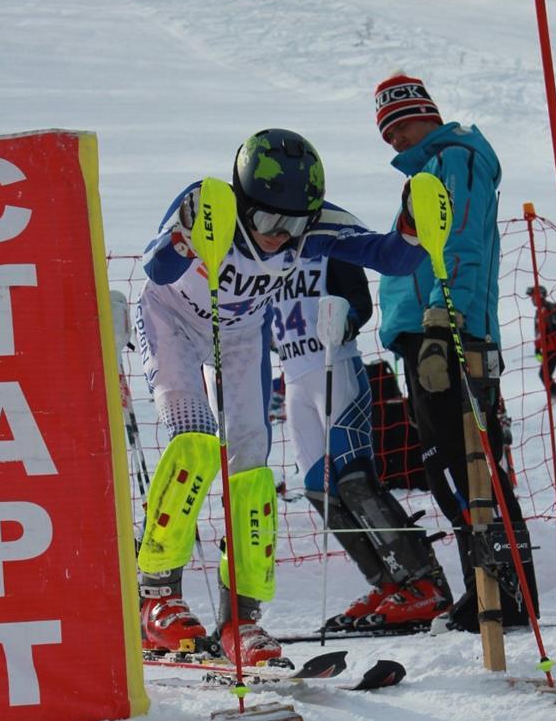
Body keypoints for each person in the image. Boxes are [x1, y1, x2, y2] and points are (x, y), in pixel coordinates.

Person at [135, 126, 431, 665]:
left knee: (251, 470)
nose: (282, 236)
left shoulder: (310, 226)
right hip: (171, 320)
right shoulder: (208, 204)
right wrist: (185, 232)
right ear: (244, 200)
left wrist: (413, 225)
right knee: (196, 442)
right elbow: (158, 269)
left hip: (241, 333)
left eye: (296, 225)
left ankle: (241, 619)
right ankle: (155, 595)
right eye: (270, 222)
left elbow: (392, 258)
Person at [375, 73, 540, 632]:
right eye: (387, 134)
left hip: (446, 330)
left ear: (423, 115)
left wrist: (450, 321)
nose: (393, 141)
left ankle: (506, 592)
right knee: (448, 466)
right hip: (424, 332)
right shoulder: (430, 170)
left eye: (398, 127)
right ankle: (488, 586)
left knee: (469, 461)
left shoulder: (455, 159)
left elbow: (462, 239)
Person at [270, 255, 452, 629]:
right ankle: (386, 581)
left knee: (354, 480)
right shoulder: (262, 255)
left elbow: (359, 299)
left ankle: (421, 580)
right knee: (319, 489)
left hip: (337, 368)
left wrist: (349, 321)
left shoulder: (327, 243)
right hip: (295, 380)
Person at [526, 285, 556, 400]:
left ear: (540, 296)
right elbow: (540, 333)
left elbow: (545, 331)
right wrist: (537, 348)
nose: (532, 300)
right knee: (546, 375)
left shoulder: (550, 309)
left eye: (533, 297)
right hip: (553, 349)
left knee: (551, 374)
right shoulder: (540, 312)